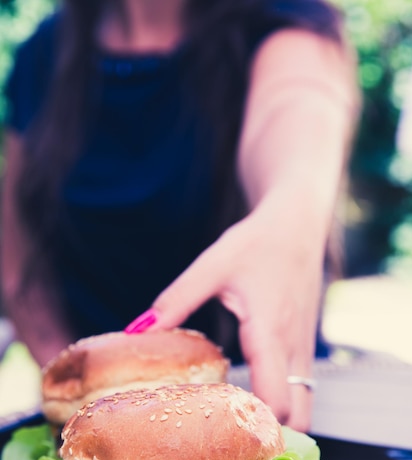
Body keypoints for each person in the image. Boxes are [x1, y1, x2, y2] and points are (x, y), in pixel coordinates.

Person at [0, 0, 359, 431]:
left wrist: (290, 214)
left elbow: (299, 103)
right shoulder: (43, 53)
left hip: (272, 417)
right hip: (92, 432)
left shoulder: (288, 21)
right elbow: (20, 266)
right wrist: (84, 411)